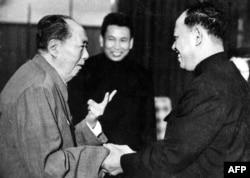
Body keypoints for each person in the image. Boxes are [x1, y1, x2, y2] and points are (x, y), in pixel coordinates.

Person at [102, 2, 250, 178]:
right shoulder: (231, 77)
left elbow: (171, 158)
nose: (173, 46)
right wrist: (133, 156)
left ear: (196, 36)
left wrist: (122, 161)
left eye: (176, 37)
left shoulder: (209, 86)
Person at [0, 15, 116, 178]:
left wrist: (90, 125)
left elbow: (58, 143)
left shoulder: (40, 77)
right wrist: (103, 158)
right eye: (81, 46)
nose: (86, 55)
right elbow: (48, 168)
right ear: (54, 47)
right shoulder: (38, 89)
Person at [68, 12, 156, 160]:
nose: (117, 46)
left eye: (123, 40)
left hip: (129, 160)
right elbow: (75, 119)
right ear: (102, 40)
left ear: (131, 42)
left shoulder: (143, 75)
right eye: (111, 39)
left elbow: (148, 126)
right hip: (92, 157)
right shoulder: (84, 70)